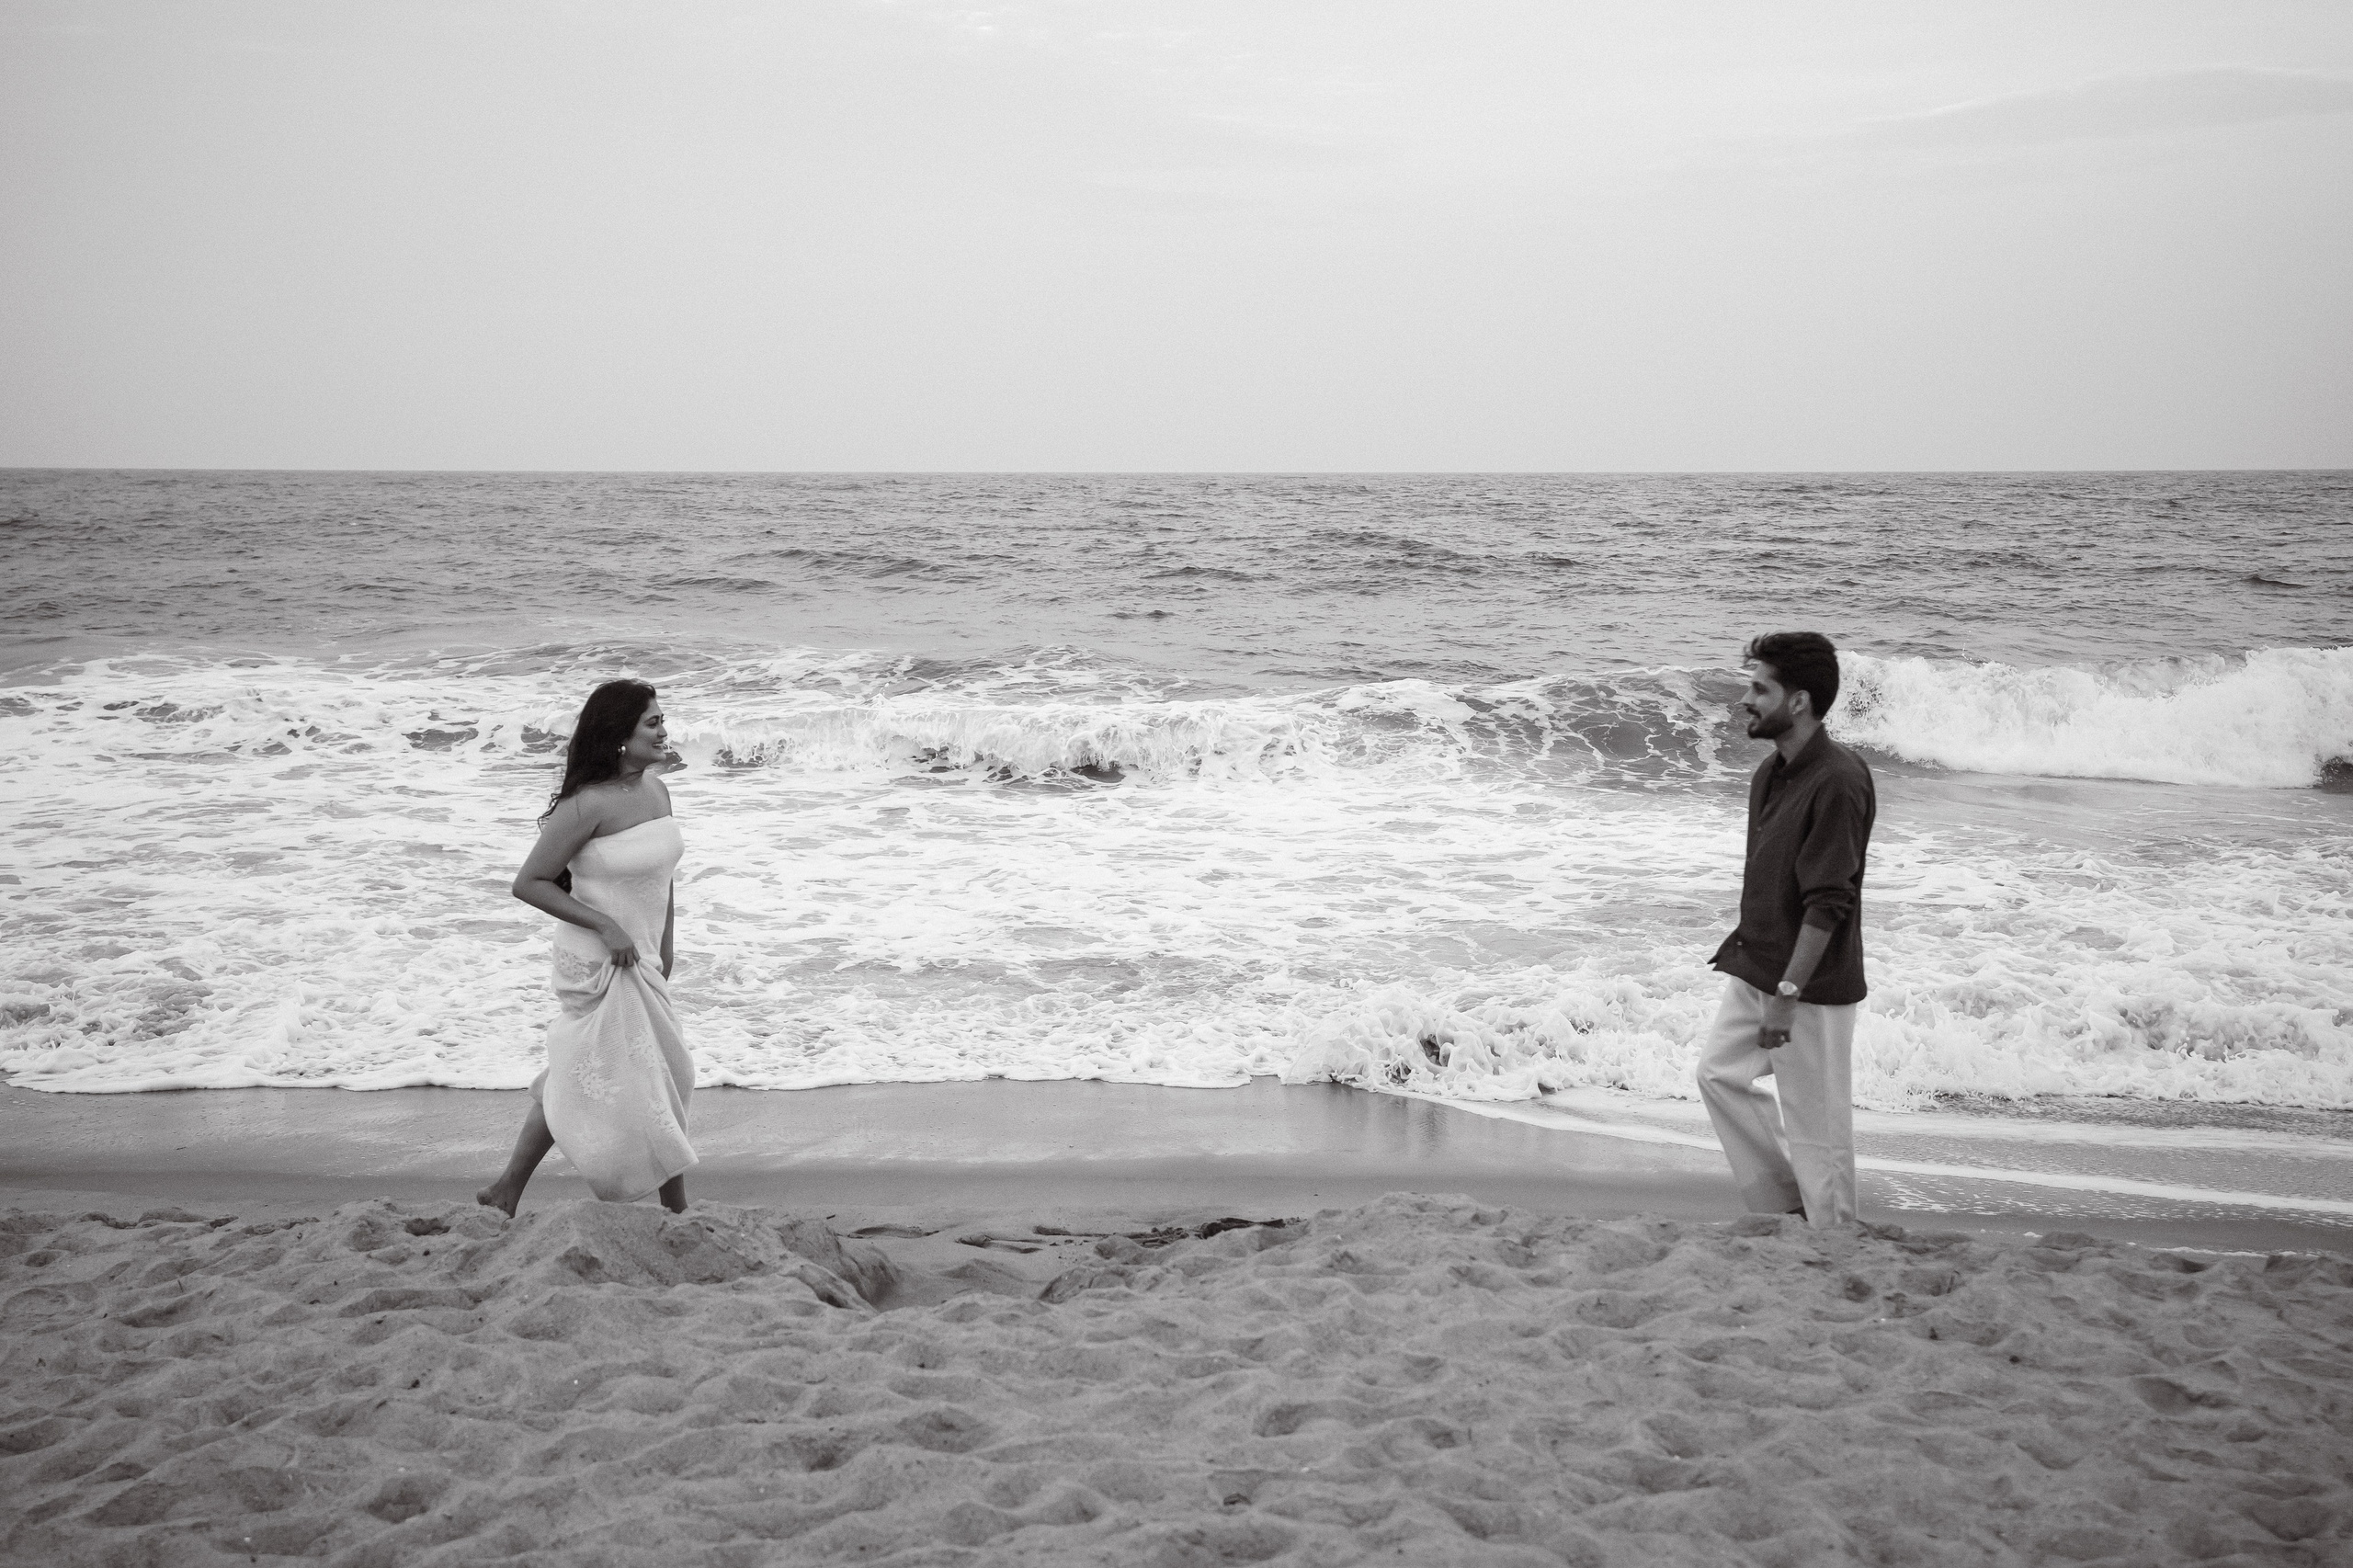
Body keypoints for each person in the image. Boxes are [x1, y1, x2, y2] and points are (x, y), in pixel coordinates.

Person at [477, 679, 697, 1216]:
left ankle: (504, 1190)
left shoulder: (656, 791)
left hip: (640, 953)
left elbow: (661, 879)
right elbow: (530, 882)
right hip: (596, 958)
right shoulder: (586, 805)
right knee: (660, 1073)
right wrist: (606, 927)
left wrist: (664, 946)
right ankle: (678, 1208)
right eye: (652, 722)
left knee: (586, 1070)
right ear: (619, 735)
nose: (664, 731)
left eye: (662, 719)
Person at [1697, 631, 1876, 1228]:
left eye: (1759, 688)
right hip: (1758, 964)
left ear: (1798, 702)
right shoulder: (1770, 774)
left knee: (1818, 1131)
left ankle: (1834, 1242)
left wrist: (1788, 995)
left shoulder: (1839, 780)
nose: (1745, 699)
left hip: (1809, 985)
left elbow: (1829, 904)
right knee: (1719, 1076)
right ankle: (1784, 1207)